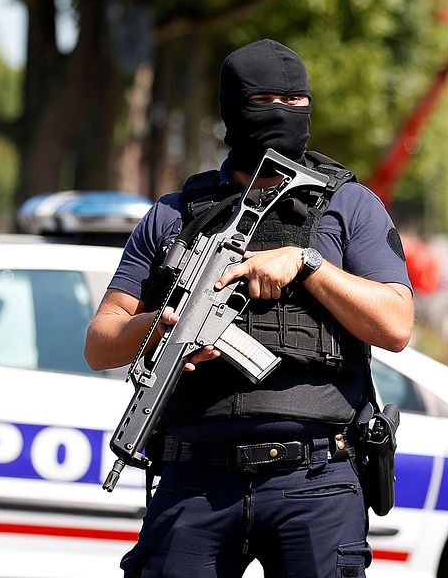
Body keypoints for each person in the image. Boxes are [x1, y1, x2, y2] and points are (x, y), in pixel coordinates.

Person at [85, 38, 414, 578]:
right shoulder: (174, 214)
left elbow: (396, 325)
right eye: (266, 101)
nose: (284, 115)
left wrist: (307, 265)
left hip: (316, 478)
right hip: (196, 479)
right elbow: (100, 343)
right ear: (233, 110)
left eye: (296, 104)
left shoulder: (348, 205)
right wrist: (158, 325)